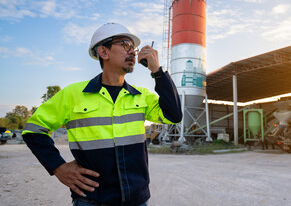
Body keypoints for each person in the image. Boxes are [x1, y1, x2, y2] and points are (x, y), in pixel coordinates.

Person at [22, 22, 182, 206]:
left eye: (134, 48)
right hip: (91, 200)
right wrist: (58, 166)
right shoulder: (73, 94)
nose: (133, 52)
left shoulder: (141, 96)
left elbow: (174, 115)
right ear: (103, 52)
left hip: (136, 200)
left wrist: (158, 72)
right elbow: (33, 130)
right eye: (125, 45)